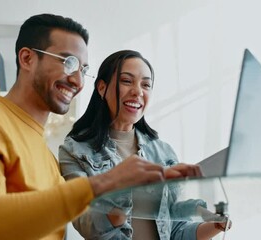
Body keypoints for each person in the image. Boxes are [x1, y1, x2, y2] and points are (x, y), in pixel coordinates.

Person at [0, 14, 199, 240]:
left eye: (83, 69)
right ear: (27, 58)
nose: (77, 79)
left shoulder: (44, 154)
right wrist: (106, 182)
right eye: (68, 62)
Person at [59, 50, 231, 240]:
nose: (138, 91)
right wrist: (126, 184)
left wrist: (215, 225)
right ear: (102, 87)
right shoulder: (75, 150)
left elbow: (175, 231)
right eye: (127, 81)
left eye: (146, 85)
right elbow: (88, 225)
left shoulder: (163, 152)